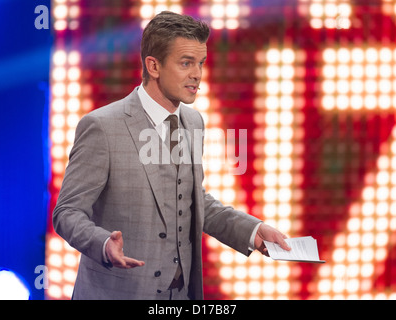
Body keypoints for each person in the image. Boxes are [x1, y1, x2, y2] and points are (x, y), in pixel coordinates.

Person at [53, 11, 290, 300]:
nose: (197, 75)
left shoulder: (193, 122)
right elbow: (67, 213)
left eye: (200, 63)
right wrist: (103, 244)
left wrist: (252, 230)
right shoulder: (102, 127)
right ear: (153, 65)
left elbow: (190, 199)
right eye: (186, 63)